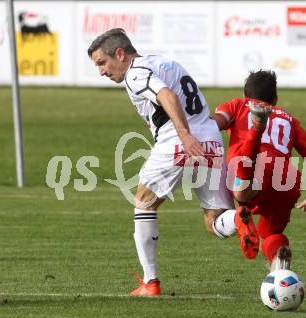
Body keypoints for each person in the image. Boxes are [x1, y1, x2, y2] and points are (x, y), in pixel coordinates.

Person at [87, 28, 259, 297]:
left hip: (178, 142)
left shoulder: (135, 72)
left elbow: (167, 96)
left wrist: (184, 135)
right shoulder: (166, 62)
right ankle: (238, 219)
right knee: (214, 221)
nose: (101, 72)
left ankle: (150, 282)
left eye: (102, 63)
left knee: (144, 202)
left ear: (119, 54)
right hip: (211, 142)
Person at [213, 70, 306, 271]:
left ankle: (257, 128)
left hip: (252, 169)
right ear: (275, 99)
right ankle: (280, 262)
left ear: (245, 95)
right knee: (268, 238)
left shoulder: (237, 105)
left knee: (241, 185)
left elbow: (214, 123)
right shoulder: (289, 120)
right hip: (287, 178)